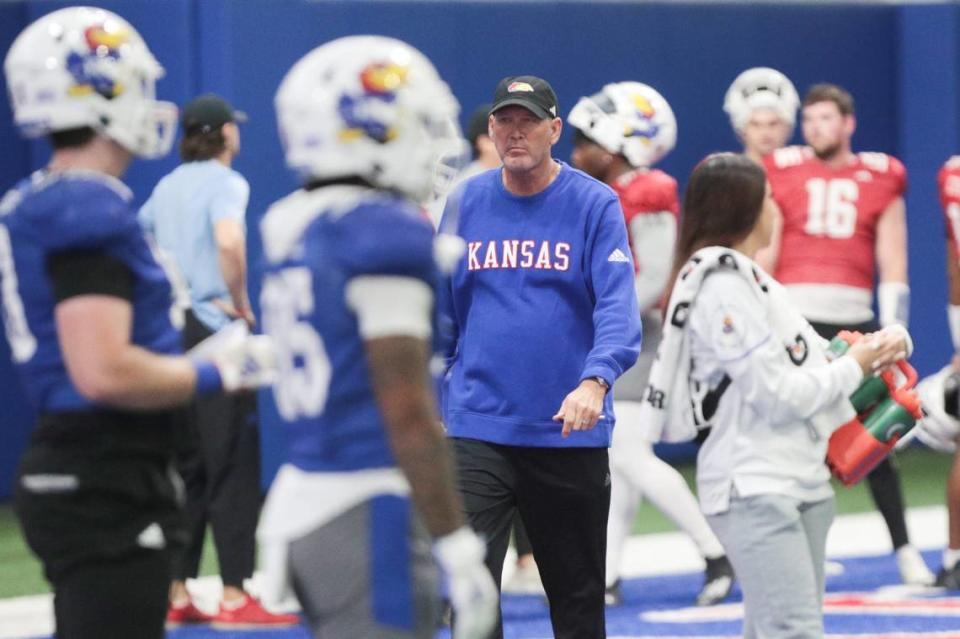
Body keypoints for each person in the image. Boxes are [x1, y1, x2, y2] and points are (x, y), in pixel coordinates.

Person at [1, 7, 274, 639]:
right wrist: (216, 370)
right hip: (103, 469)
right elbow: (103, 371)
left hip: (85, 459)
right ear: (100, 93)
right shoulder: (85, 202)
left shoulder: (47, 196)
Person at [255, 36, 497, 639]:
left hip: (303, 491)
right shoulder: (380, 233)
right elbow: (408, 414)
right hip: (367, 508)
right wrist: (457, 542)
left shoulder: (293, 222)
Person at [641, 152, 912, 638]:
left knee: (772, 629)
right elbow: (777, 395)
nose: (776, 209)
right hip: (754, 484)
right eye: (769, 199)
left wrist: (878, 348)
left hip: (796, 477)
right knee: (793, 630)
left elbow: (813, 361)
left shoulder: (753, 281)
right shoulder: (722, 288)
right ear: (743, 209)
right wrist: (856, 366)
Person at [439, 75, 641, 638]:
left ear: (555, 129)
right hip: (478, 427)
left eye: (528, 120)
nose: (515, 131)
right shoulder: (465, 202)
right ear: (490, 130)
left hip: (567, 430)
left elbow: (616, 310)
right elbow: (442, 318)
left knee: (577, 603)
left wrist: (595, 381)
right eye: (505, 120)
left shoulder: (594, 204)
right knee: (470, 598)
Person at [567, 80, 733, 607]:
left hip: (637, 335)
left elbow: (657, 275)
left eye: (587, 141)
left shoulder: (647, 188)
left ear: (622, 143)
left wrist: (598, 323)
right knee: (619, 462)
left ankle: (715, 552)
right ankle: (609, 576)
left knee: (628, 455)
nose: (576, 153)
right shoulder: (607, 191)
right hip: (620, 331)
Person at [762, 83, 934, 585]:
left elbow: (892, 255)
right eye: (809, 119)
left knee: (875, 433)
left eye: (825, 119)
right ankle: (793, 552)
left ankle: (904, 549)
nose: (815, 128)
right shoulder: (783, 169)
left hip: (853, 320)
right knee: (793, 439)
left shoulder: (881, 175)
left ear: (848, 123)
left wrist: (890, 324)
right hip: (795, 320)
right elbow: (768, 249)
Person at [139, 94, 296, 627]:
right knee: (232, 463)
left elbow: (142, 245)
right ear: (226, 133)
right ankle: (233, 595)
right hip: (217, 334)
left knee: (187, 465)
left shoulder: (165, 187)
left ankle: (177, 590)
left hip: (173, 335)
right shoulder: (227, 182)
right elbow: (229, 241)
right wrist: (240, 299)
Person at [723, 67, 800, 166]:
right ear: (741, 130)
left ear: (787, 128)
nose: (765, 132)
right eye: (755, 125)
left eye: (773, 124)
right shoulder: (726, 177)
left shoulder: (810, 178)